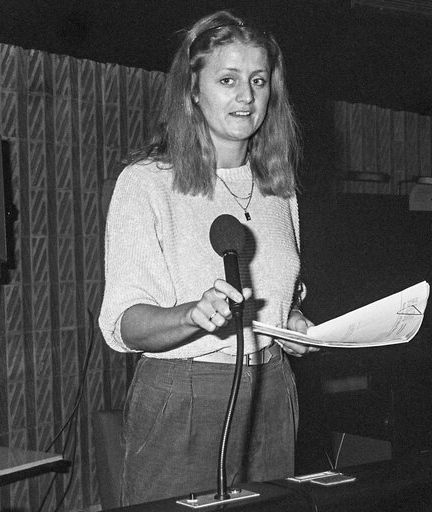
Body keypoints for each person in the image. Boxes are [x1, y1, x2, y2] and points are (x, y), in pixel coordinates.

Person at [98, 10, 318, 506]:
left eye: (258, 81)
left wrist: (295, 322)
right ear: (193, 90)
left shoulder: (279, 191)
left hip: (273, 386)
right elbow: (126, 325)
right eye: (228, 79)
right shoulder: (147, 184)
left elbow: (279, 295)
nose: (247, 95)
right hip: (186, 393)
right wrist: (190, 315)